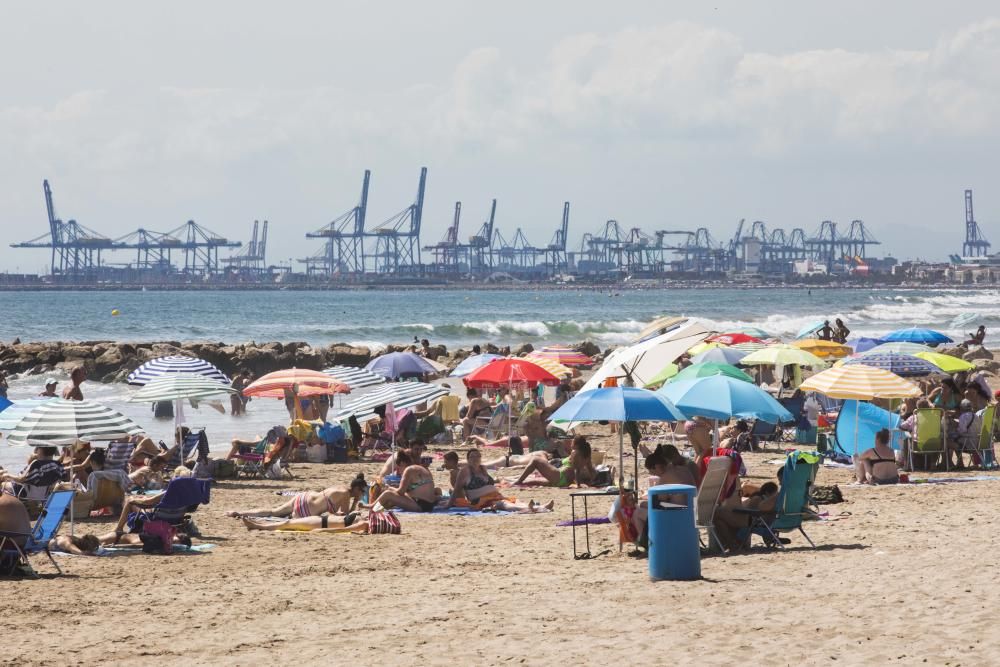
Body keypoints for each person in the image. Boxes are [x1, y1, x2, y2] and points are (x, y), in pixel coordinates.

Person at [451, 449, 554, 512]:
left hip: (494, 496)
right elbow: (456, 489)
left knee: (513, 501)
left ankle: (541, 507)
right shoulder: (465, 471)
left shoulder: (483, 468)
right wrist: (448, 503)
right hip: (479, 500)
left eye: (477, 456)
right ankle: (534, 508)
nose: (475, 458)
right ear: (468, 459)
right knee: (503, 504)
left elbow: (490, 483)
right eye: (472, 457)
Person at [227, 474, 369, 518]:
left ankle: (239, 512)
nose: (362, 494)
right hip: (307, 509)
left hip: (304, 496)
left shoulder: (341, 487)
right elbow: (344, 517)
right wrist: (355, 503)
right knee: (277, 514)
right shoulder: (345, 495)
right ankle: (240, 513)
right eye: (362, 492)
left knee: (273, 511)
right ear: (356, 489)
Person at [512, 436, 596, 488]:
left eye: (573, 442)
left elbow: (576, 469)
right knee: (532, 481)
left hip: (560, 476)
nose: (571, 443)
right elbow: (591, 469)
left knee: (535, 460)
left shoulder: (576, 453)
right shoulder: (587, 455)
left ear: (577, 445)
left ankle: (518, 481)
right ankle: (517, 482)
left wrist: (578, 485)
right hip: (563, 481)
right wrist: (593, 482)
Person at [241, 510, 401, 535]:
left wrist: (324, 532)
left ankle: (257, 526)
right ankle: (258, 522)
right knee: (290, 521)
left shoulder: (364, 524)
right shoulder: (364, 518)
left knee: (288, 523)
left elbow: (344, 530)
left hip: (321, 525)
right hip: (322, 519)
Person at [370, 461, 439, 513]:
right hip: (429, 505)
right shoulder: (421, 469)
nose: (399, 472)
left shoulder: (408, 470)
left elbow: (400, 492)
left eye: (398, 468)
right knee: (393, 496)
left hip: (420, 505)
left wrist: (390, 487)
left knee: (388, 494)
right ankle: (380, 506)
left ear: (402, 463)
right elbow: (412, 489)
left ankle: (371, 506)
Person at [1, 446, 66, 498]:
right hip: (42, 496)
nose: (35, 450)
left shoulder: (37, 464)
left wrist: (8, 475)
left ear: (41, 450)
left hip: (25, 493)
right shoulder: (57, 465)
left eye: (37, 447)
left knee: (2, 484)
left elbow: (22, 479)